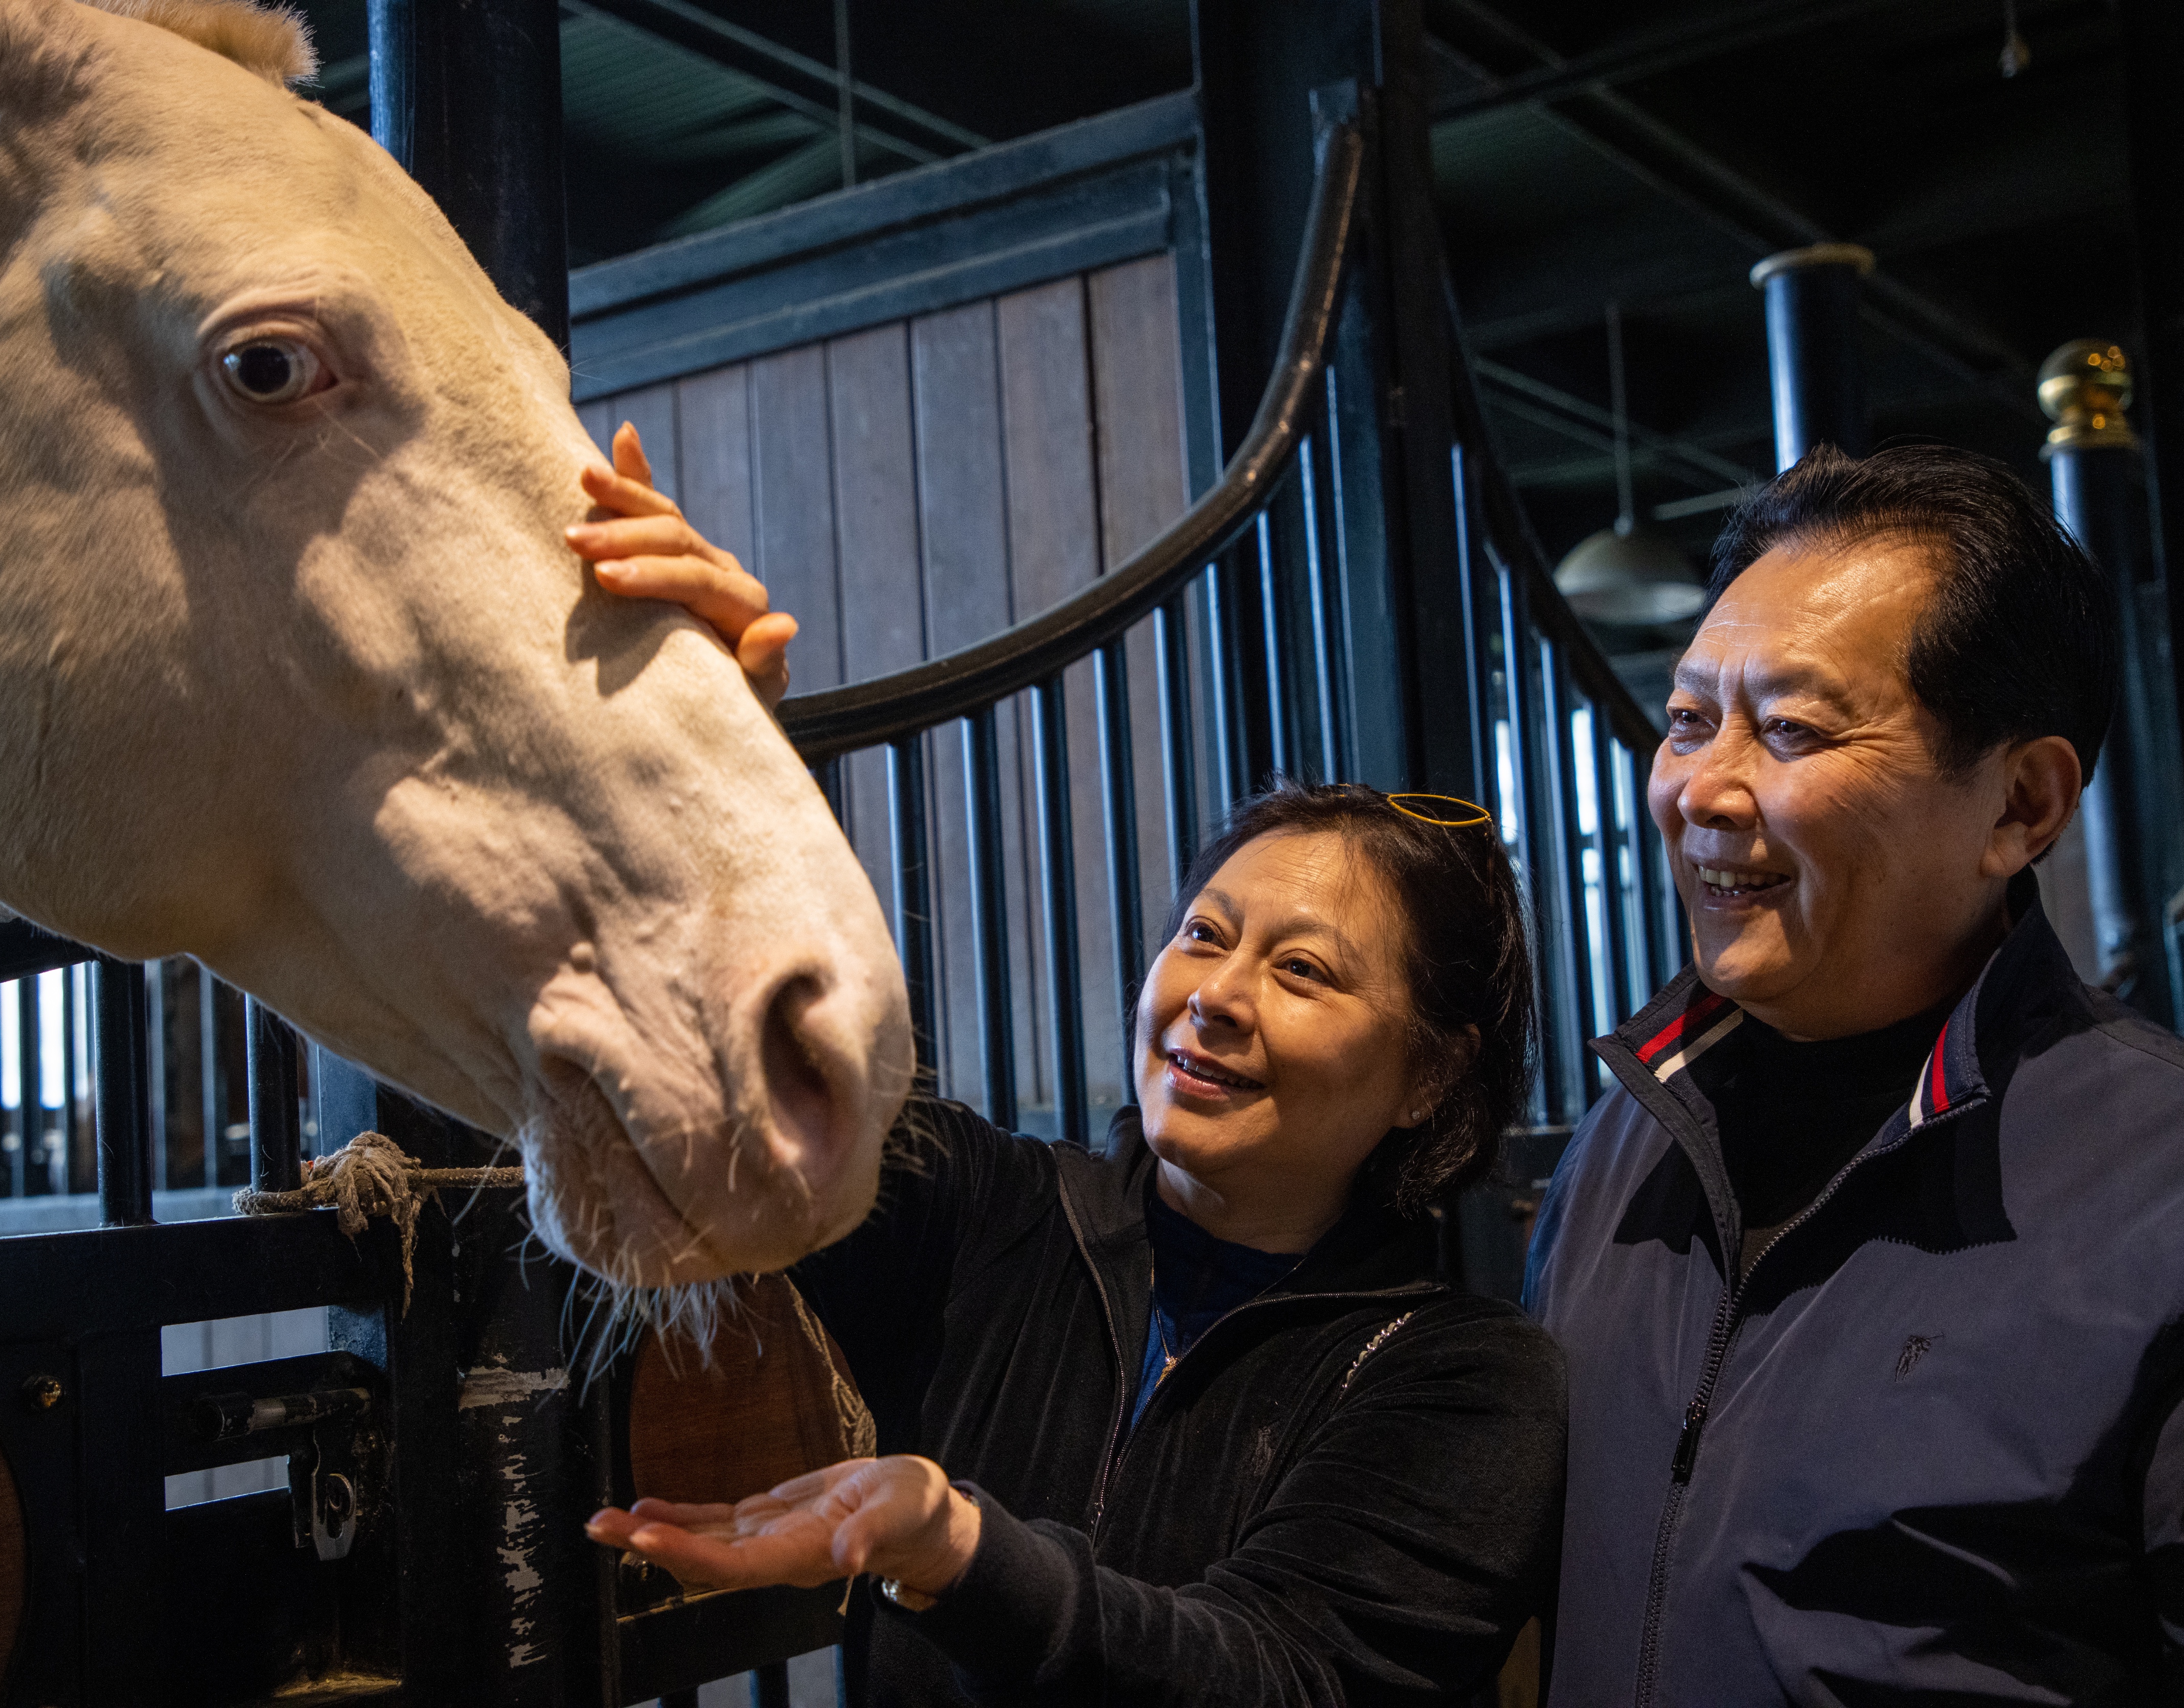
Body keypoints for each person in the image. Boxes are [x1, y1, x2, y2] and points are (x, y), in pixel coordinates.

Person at [565, 427, 1567, 1704]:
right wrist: (696, 744)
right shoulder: (997, 1214)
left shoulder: (1462, 1377)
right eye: (1203, 935)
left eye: (1302, 971)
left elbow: (1288, 1676)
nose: (1213, 997)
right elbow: (747, 1081)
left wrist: (961, 1549)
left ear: (1430, 1079)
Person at [1523, 443, 2184, 1701]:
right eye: (1685, 720)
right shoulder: (1625, 1139)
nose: (1703, 789)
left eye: (1789, 728)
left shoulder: (2158, 1187)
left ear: (2021, 807)